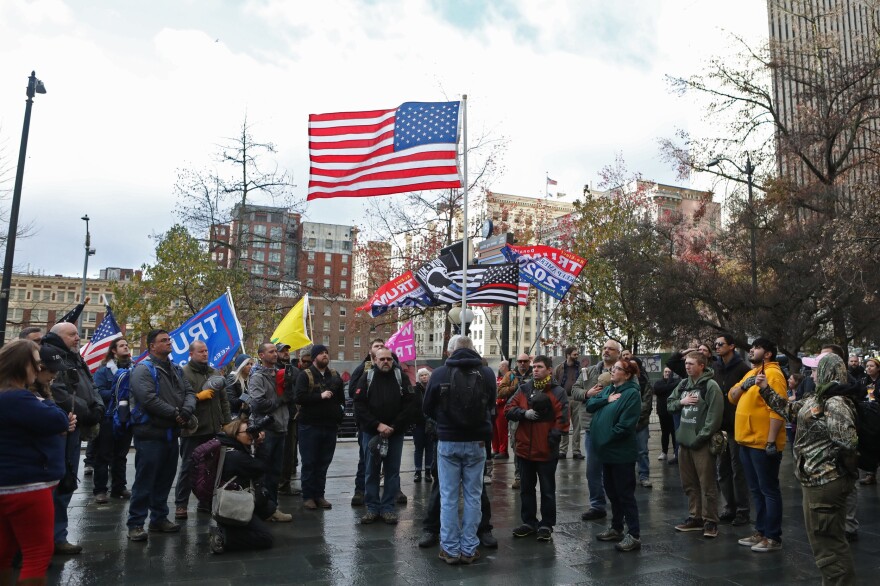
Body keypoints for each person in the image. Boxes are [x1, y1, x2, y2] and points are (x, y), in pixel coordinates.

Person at [757, 353, 859, 584]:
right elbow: (791, 410)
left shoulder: (835, 402)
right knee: (825, 543)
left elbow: (849, 441)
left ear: (827, 373)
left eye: (815, 370)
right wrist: (765, 389)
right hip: (815, 480)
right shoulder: (819, 398)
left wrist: (826, 458)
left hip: (825, 481)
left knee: (828, 547)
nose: (810, 374)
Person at [0, 340, 73, 585]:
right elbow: (57, 419)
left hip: (7, 485)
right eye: (37, 362)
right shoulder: (18, 398)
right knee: (37, 553)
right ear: (23, 366)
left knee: (5, 552)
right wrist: (48, 403)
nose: (40, 368)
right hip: (26, 487)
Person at [423, 335, 496, 564]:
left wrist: (445, 422)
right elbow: (491, 404)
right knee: (474, 496)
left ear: (450, 351)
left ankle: (450, 549)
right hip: (477, 442)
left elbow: (427, 407)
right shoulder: (487, 373)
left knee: (449, 496)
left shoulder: (439, 373)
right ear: (473, 348)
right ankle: (469, 547)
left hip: (448, 441)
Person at [126, 329, 196, 542]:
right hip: (149, 435)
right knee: (144, 481)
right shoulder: (142, 369)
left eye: (169, 340)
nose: (168, 343)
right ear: (152, 346)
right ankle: (136, 523)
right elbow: (148, 399)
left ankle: (159, 518)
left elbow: (190, 393)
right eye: (163, 340)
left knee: (165, 479)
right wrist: (176, 414)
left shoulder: (175, 368)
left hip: (170, 434)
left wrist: (186, 411)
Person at [42, 322, 104, 555]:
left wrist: (98, 407)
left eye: (78, 334)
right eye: (72, 334)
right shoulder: (52, 357)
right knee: (58, 483)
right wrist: (86, 413)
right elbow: (58, 391)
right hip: (61, 428)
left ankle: (59, 536)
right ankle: (48, 538)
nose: (78, 338)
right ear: (57, 337)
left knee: (68, 481)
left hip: (75, 429)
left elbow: (91, 386)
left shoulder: (76, 358)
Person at [728, 337, 787, 553]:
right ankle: (761, 532)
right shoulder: (751, 373)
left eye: (757, 348)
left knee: (768, 490)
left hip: (763, 444)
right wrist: (743, 386)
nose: (751, 350)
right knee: (756, 490)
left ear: (768, 353)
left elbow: (778, 409)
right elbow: (732, 396)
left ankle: (773, 537)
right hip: (746, 441)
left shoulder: (773, 374)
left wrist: (771, 441)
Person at [505, 355, 569, 542]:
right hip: (525, 449)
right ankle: (529, 522)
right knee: (526, 489)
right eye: (534, 367)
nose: (535, 370)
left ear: (549, 370)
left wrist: (553, 438)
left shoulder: (557, 392)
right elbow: (508, 409)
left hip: (546, 449)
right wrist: (523, 413)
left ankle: (547, 524)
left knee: (547, 490)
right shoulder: (524, 389)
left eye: (539, 367)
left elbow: (563, 419)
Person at [353, 347, 416, 525]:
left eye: (389, 359)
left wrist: (394, 427)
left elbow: (409, 405)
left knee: (392, 472)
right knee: (371, 471)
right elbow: (359, 405)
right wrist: (377, 425)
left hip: (395, 434)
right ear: (375, 360)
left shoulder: (401, 377)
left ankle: (388, 508)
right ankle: (372, 508)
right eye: (382, 359)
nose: (386, 362)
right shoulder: (367, 377)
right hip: (372, 433)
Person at [586, 357, 642, 552]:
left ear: (626, 375)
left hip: (621, 453)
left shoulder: (632, 394)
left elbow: (625, 425)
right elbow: (590, 405)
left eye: (617, 369)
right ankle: (616, 527)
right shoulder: (610, 389)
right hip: (606, 452)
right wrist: (605, 399)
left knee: (625, 494)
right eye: (613, 368)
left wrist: (605, 437)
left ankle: (634, 534)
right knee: (611, 492)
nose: (612, 370)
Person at [667, 352, 724, 538]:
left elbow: (714, 418)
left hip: (701, 444)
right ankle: (695, 517)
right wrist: (681, 402)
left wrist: (701, 438)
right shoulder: (683, 385)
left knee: (707, 484)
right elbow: (670, 404)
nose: (687, 366)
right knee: (689, 483)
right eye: (686, 363)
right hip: (684, 443)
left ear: (701, 365)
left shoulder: (711, 386)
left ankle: (710, 521)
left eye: (691, 363)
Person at [176, 341, 230, 520]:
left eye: (206, 350)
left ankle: (204, 501)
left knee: (211, 468)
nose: (205, 354)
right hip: (193, 429)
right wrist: (198, 397)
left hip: (212, 429)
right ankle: (181, 504)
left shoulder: (214, 372)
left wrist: (227, 422)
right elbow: (179, 400)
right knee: (187, 468)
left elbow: (224, 400)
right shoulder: (183, 373)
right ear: (191, 354)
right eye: (201, 351)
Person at [208, 416, 275, 555]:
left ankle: (233, 527)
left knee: (268, 507)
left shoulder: (227, 446)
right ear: (235, 434)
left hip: (229, 499)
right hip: (231, 503)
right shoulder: (236, 456)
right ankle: (224, 537)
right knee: (266, 539)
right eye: (247, 432)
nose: (251, 435)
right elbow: (262, 467)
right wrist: (260, 443)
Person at [573, 339, 620, 521]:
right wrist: (587, 394)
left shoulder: (622, 372)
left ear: (617, 353)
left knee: (615, 468)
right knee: (592, 469)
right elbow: (574, 390)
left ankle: (618, 504)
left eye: (610, 349)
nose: (606, 351)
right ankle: (597, 505)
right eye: (604, 347)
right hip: (592, 427)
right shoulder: (589, 371)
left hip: (613, 427)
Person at [294, 344, 344, 510]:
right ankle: (308, 496)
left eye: (326, 353)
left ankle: (319, 495)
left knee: (323, 463)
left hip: (329, 426)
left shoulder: (335, 375)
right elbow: (299, 397)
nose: (325, 355)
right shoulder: (305, 375)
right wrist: (319, 396)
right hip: (309, 426)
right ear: (314, 357)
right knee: (309, 462)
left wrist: (339, 416)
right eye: (321, 353)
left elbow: (341, 399)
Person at [248, 342, 293, 522]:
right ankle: (263, 509)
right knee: (264, 473)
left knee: (275, 472)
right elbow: (258, 403)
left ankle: (272, 508)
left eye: (276, 351)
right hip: (266, 430)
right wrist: (280, 401)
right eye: (271, 352)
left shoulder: (280, 374)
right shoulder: (257, 377)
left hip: (281, 427)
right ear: (261, 355)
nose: (275, 354)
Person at [713, 334, 752, 526]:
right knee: (722, 469)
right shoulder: (716, 367)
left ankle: (743, 510)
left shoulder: (743, 368)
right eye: (716, 345)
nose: (717, 347)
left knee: (738, 470)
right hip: (720, 426)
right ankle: (728, 507)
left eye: (721, 344)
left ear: (732, 346)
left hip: (737, 425)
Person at [91, 338, 134, 504]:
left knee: (121, 455)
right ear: (114, 351)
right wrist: (119, 393)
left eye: (127, 345)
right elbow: (99, 392)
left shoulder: (134, 369)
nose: (126, 347)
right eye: (122, 345)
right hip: (109, 418)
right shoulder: (104, 371)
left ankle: (119, 487)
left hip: (126, 418)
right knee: (104, 455)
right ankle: (100, 490)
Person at [349, 338, 387, 506]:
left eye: (382, 346)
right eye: (376, 346)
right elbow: (353, 393)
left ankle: (395, 490)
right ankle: (360, 490)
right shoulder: (361, 369)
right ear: (370, 350)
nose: (379, 348)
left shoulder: (393, 369)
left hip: (388, 424)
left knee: (390, 460)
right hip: (367, 424)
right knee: (365, 458)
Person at [277, 343, 301, 497]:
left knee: (289, 452)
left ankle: (285, 483)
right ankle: (278, 483)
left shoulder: (295, 370)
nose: (286, 353)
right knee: (279, 451)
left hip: (292, 416)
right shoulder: (272, 371)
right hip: (277, 414)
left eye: (287, 350)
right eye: (282, 351)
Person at [555, 346, 585, 460]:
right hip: (564, 399)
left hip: (577, 399)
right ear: (568, 355)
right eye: (575, 354)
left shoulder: (582, 369)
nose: (577, 356)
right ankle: (562, 450)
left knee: (577, 426)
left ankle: (576, 451)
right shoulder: (559, 368)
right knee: (564, 424)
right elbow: (555, 382)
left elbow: (585, 383)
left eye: (577, 354)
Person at [632, 356, 654, 488]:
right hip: (627, 424)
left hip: (641, 423)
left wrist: (633, 415)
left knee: (642, 451)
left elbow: (646, 405)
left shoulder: (645, 383)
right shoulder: (624, 382)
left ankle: (644, 475)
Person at [858, 356, 880, 486]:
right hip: (867, 418)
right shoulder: (863, 381)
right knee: (869, 446)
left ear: (878, 368)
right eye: (867, 366)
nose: (868, 368)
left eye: (871, 366)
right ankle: (870, 474)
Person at [653, 367, 680, 463]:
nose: (667, 373)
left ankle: (675, 452)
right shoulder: (658, 383)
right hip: (662, 412)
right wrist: (672, 385)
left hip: (673, 412)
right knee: (665, 433)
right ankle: (664, 452)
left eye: (669, 372)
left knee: (674, 433)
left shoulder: (676, 382)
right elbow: (658, 389)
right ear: (663, 372)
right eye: (665, 371)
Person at [412, 368, 433, 482]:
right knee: (418, 448)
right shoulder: (415, 390)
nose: (424, 377)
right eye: (422, 375)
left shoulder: (432, 388)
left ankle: (428, 472)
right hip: (418, 424)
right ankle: (418, 471)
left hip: (430, 423)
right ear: (418, 377)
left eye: (426, 375)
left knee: (430, 448)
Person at [492, 361, 510, 459]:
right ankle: (496, 449)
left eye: (501, 365)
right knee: (494, 429)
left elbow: (508, 391)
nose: (500, 367)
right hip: (494, 406)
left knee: (501, 430)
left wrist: (498, 401)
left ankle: (503, 451)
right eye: (499, 365)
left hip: (502, 406)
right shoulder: (497, 378)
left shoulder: (509, 378)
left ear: (506, 367)